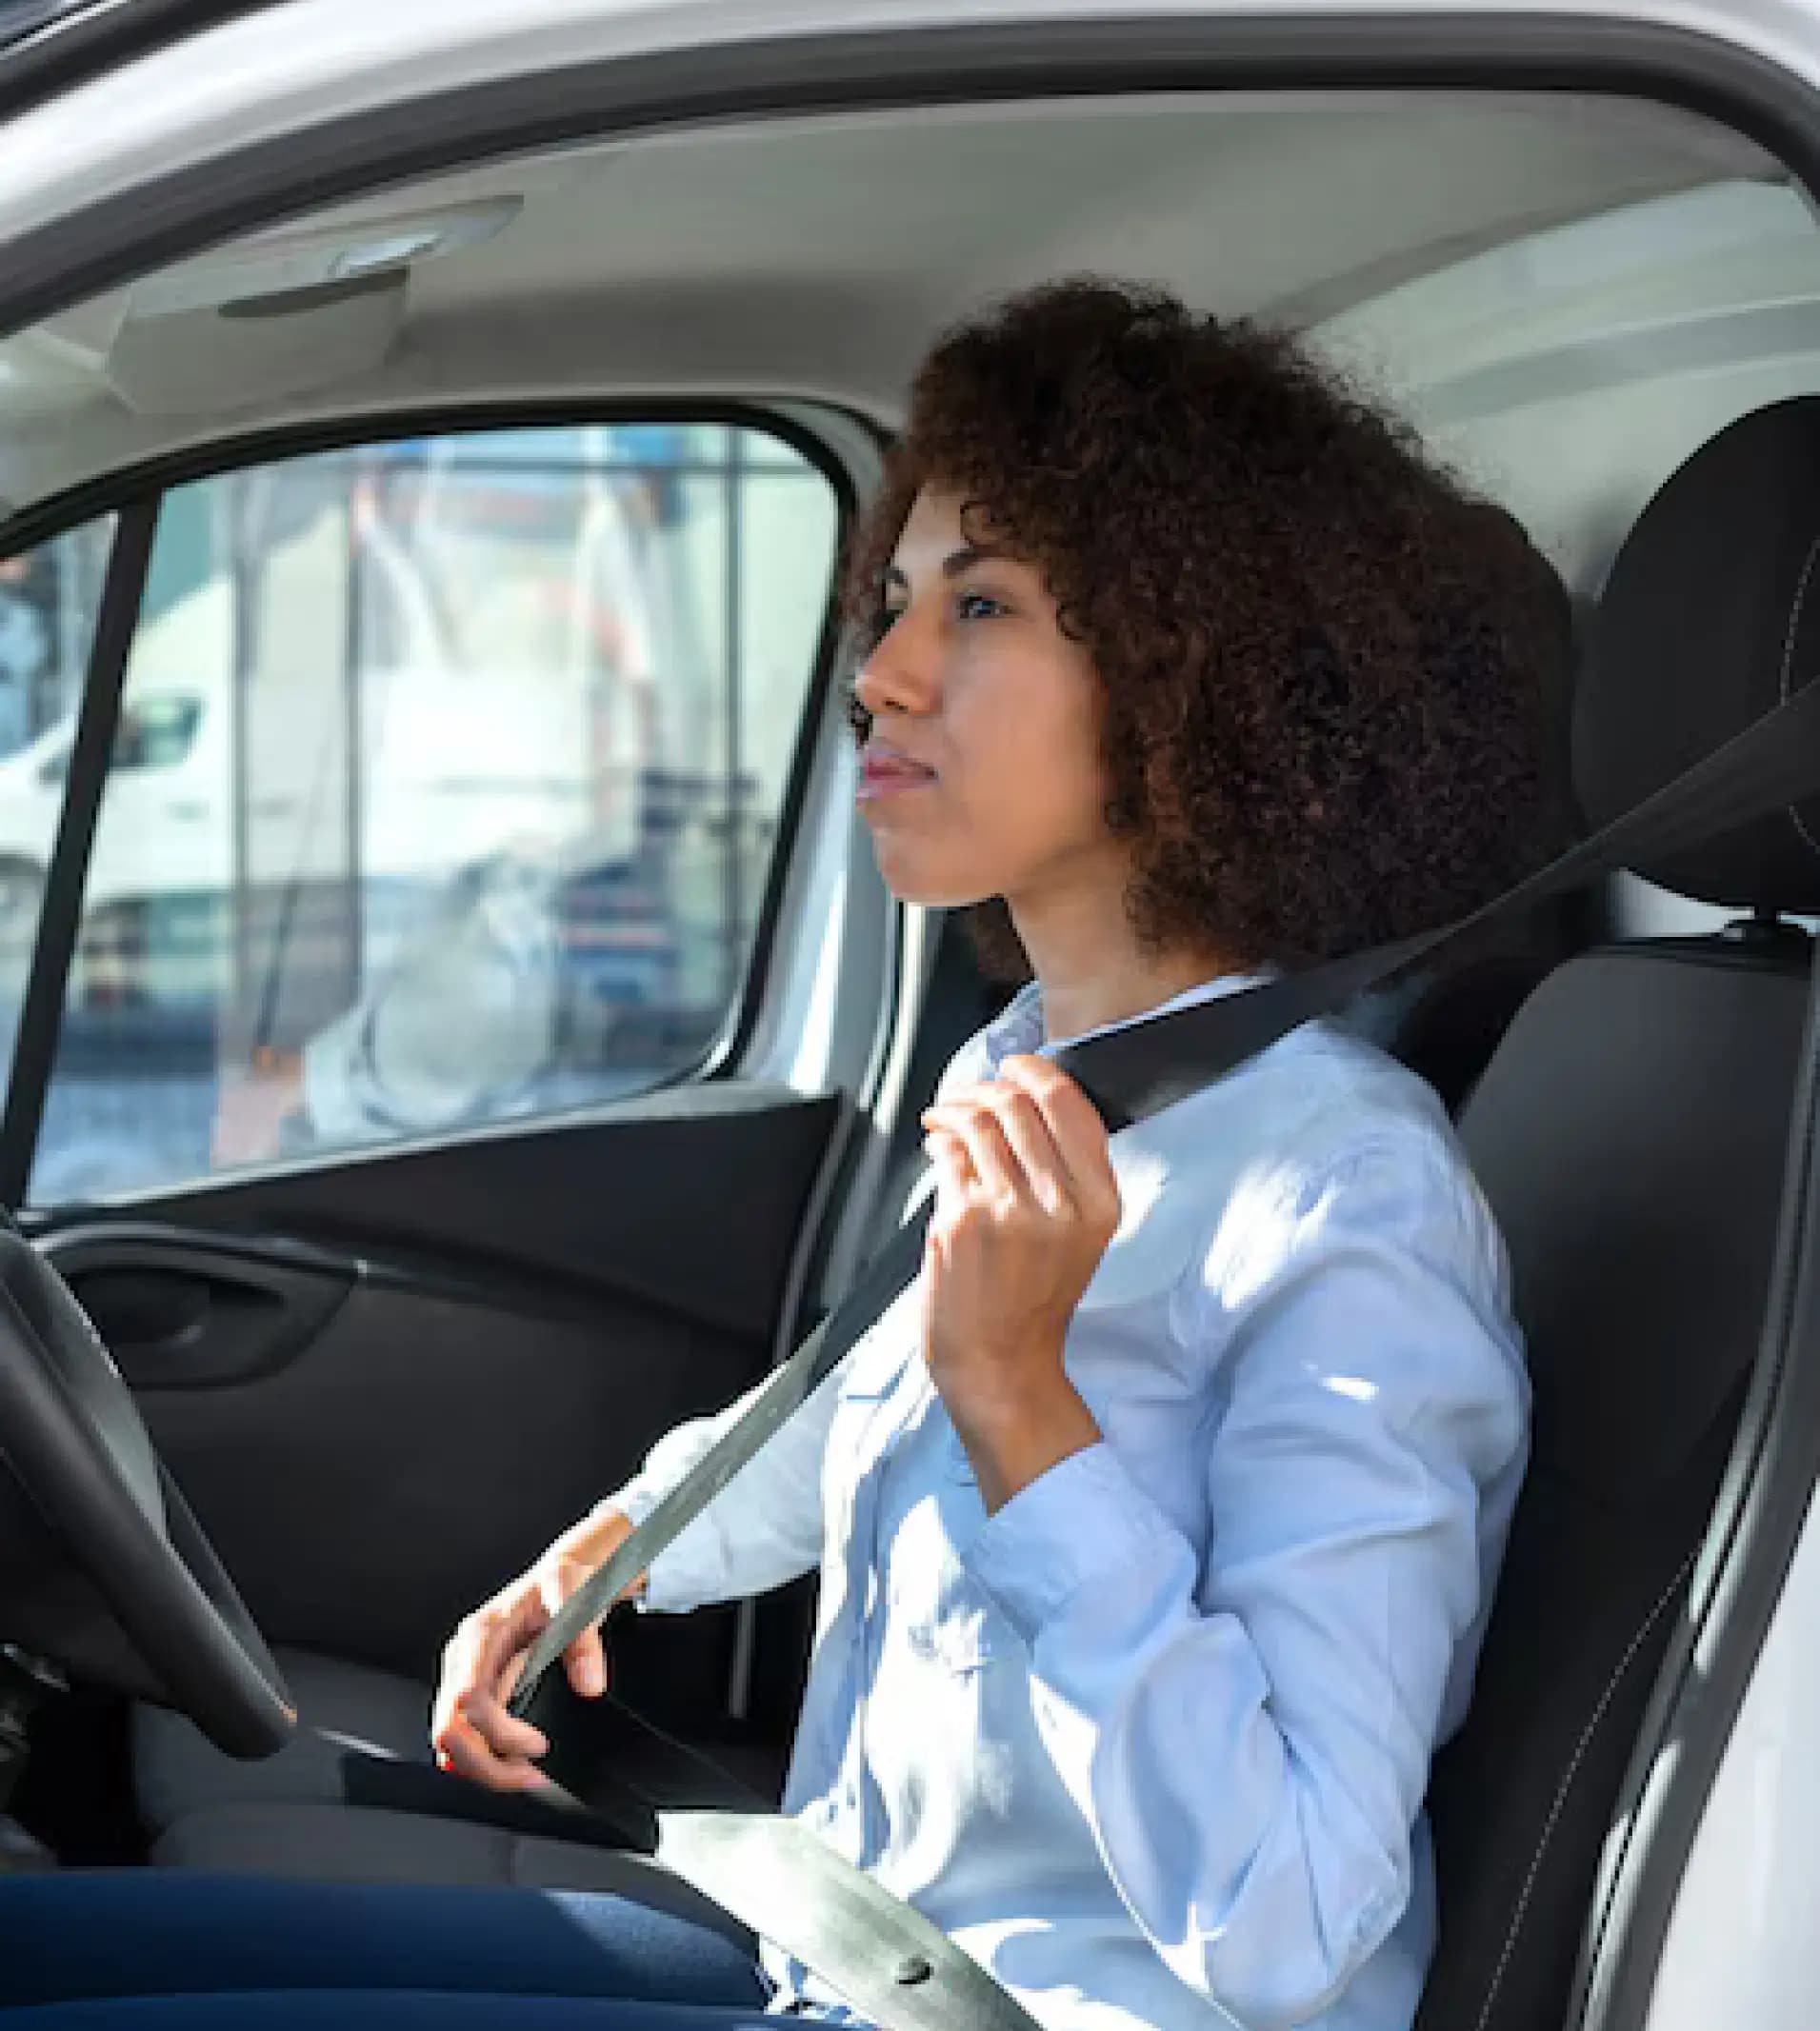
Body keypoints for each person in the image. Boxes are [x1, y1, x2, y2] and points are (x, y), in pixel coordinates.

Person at [2, 280, 1558, 2031]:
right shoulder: (1035, 1068)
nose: (882, 672)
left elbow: (1293, 1913)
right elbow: (855, 1420)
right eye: (894, 600)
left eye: (981, 605)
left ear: (1193, 675)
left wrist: (1027, 1413)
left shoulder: (1349, 1201)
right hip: (841, 1958)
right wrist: (623, 1544)